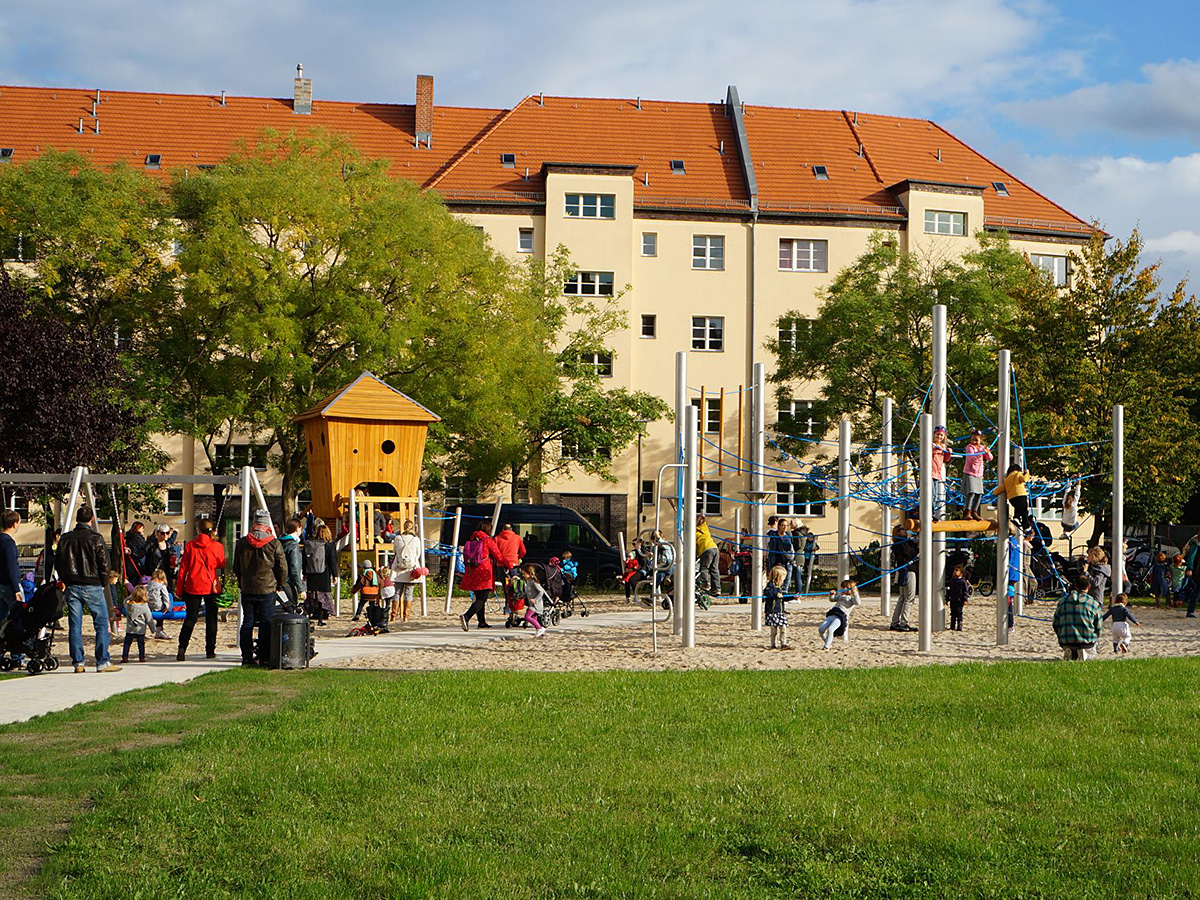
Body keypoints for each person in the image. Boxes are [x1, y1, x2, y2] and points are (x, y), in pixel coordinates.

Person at [58, 506, 121, 673]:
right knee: (100, 623)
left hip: (72, 584)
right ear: (91, 519)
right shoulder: (96, 538)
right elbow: (104, 564)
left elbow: (59, 563)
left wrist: (65, 579)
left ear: (77, 519)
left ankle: (78, 662)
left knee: (75, 625)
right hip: (92, 584)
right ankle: (102, 661)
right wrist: (103, 582)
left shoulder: (66, 539)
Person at [231, 509, 287, 666]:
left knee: (247, 622)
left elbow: (236, 567)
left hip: (247, 588)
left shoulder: (242, 542)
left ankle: (246, 656)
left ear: (254, 523)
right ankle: (263, 656)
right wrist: (281, 584)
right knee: (265, 622)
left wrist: (241, 581)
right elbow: (282, 567)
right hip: (267, 588)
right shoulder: (274, 544)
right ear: (267, 523)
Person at [177, 518, 226, 661]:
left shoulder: (191, 546)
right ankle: (210, 650)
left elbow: (183, 570)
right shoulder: (217, 546)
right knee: (211, 619)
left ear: (198, 530)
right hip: (211, 586)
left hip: (193, 585)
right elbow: (221, 564)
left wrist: (179, 589)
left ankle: (182, 648)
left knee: (190, 619)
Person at [459, 526, 504, 630]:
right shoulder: (487, 541)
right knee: (482, 599)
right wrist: (508, 562)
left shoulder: (472, 540)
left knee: (478, 596)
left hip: (472, 571)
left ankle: (482, 622)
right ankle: (466, 616)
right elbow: (498, 556)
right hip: (484, 572)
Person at [1053, 574, 1103, 660]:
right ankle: (1085, 655)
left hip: (1066, 642)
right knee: (1093, 654)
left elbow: (1055, 623)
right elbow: (1098, 626)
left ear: (1075, 586)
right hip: (1086, 643)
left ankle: (1071, 654)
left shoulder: (1062, 602)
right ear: (1089, 586)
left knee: (1073, 651)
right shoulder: (1093, 604)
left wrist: (1061, 636)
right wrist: (1095, 636)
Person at [302, 523, 338, 626]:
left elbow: (305, 560)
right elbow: (332, 561)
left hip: (311, 573)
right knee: (323, 597)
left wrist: (305, 572)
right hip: (324, 573)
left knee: (313, 596)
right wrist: (335, 575)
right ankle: (320, 620)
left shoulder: (309, 544)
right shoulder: (329, 545)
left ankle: (309, 615)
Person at [390, 519, 424, 623]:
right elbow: (418, 554)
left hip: (398, 569)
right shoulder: (416, 540)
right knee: (409, 593)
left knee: (396, 592)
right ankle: (406, 616)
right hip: (411, 569)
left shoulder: (397, 538)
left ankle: (393, 616)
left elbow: (394, 551)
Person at [889, 524, 918, 632]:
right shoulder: (902, 543)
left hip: (902, 571)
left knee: (902, 598)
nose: (904, 530)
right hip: (908, 571)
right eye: (901, 529)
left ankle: (895, 622)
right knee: (909, 598)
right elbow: (910, 554)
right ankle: (903, 623)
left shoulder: (899, 543)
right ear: (897, 532)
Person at [959, 431, 993, 521]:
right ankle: (967, 511)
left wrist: (987, 452)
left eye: (976, 440)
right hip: (970, 473)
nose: (974, 442)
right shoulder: (969, 447)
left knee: (979, 494)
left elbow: (990, 458)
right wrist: (980, 452)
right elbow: (971, 458)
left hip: (978, 474)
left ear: (981, 440)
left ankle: (974, 511)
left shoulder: (982, 448)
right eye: (972, 439)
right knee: (971, 493)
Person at [819, 579, 860, 650]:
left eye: (846, 587)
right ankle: (827, 642)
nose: (843, 589)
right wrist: (832, 595)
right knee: (821, 629)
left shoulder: (851, 599)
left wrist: (855, 592)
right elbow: (832, 599)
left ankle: (827, 647)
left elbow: (858, 602)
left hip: (840, 617)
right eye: (842, 587)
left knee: (831, 629)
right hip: (833, 613)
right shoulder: (840, 596)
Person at [140, 524, 179, 595]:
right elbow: (141, 554)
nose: (165, 535)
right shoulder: (151, 544)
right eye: (162, 533)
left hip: (166, 574)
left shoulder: (168, 544)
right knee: (154, 594)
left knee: (167, 594)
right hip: (153, 574)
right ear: (157, 533)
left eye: (167, 533)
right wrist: (130, 552)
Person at [120, 584, 154, 664]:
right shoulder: (144, 606)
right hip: (140, 629)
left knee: (127, 643)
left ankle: (125, 657)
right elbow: (149, 618)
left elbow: (125, 600)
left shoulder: (128, 604)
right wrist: (153, 629)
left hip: (130, 628)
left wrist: (131, 596)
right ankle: (142, 657)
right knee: (141, 644)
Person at [0, 510, 23, 625]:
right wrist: (16, 589)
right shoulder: (9, 543)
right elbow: (11, 567)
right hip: (7, 585)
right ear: (14, 524)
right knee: (14, 617)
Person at [996, 463, 1033, 533]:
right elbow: (1024, 479)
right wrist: (1027, 473)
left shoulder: (1006, 479)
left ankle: (1016, 517)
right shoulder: (1018, 474)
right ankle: (1025, 526)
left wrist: (994, 492)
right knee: (1024, 510)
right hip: (1020, 495)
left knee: (1018, 508)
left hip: (1012, 498)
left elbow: (1002, 487)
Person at [763, 565, 790, 650]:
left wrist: (793, 597)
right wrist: (776, 594)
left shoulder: (781, 588)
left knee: (783, 628)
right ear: (777, 577)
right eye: (783, 577)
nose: (784, 580)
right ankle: (773, 644)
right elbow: (767, 592)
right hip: (772, 612)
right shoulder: (770, 586)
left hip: (780, 612)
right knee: (774, 630)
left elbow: (784, 597)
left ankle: (783, 644)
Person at [279, 517, 305, 606]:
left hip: (277, 580)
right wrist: (300, 588)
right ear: (297, 528)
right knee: (292, 606)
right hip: (288, 581)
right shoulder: (293, 545)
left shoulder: (279, 542)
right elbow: (294, 567)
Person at [517, 563, 548, 636]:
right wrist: (522, 596)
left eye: (524, 574)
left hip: (536, 605)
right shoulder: (528, 581)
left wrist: (535, 600)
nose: (523, 575)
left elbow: (541, 592)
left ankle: (540, 628)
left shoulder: (533, 582)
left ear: (529, 573)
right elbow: (528, 592)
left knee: (527, 616)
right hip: (532, 604)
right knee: (534, 618)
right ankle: (540, 630)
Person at [930, 426, 953, 521]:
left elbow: (945, 460)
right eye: (938, 434)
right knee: (931, 494)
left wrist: (949, 453)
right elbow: (927, 453)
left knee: (935, 495)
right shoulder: (931, 444)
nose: (939, 437)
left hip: (937, 473)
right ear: (934, 435)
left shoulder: (943, 447)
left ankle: (932, 513)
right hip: (929, 472)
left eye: (941, 435)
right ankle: (930, 513)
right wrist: (935, 448)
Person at [767, 519, 795, 592]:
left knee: (787, 582)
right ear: (779, 526)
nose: (784, 527)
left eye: (786, 525)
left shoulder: (789, 535)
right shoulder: (774, 536)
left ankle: (784, 596)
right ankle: (778, 596)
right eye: (783, 525)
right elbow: (772, 550)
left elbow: (791, 548)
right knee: (778, 582)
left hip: (788, 562)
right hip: (778, 562)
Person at [696, 515, 719, 596]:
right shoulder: (705, 527)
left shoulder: (695, 532)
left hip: (706, 549)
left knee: (704, 568)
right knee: (714, 569)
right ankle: (716, 588)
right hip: (715, 548)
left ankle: (706, 583)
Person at [146, 569, 172, 641]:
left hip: (149, 606)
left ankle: (158, 631)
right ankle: (159, 631)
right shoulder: (161, 585)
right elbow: (165, 596)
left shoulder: (148, 584)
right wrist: (167, 607)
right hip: (158, 606)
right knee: (170, 596)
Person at [948, 564, 971, 631]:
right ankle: (952, 626)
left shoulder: (962, 582)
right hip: (953, 599)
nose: (955, 572)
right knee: (953, 613)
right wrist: (947, 599)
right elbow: (950, 590)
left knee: (959, 613)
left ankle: (959, 626)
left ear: (961, 573)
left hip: (959, 600)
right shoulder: (952, 581)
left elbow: (965, 591)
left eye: (957, 570)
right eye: (954, 570)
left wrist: (965, 599)